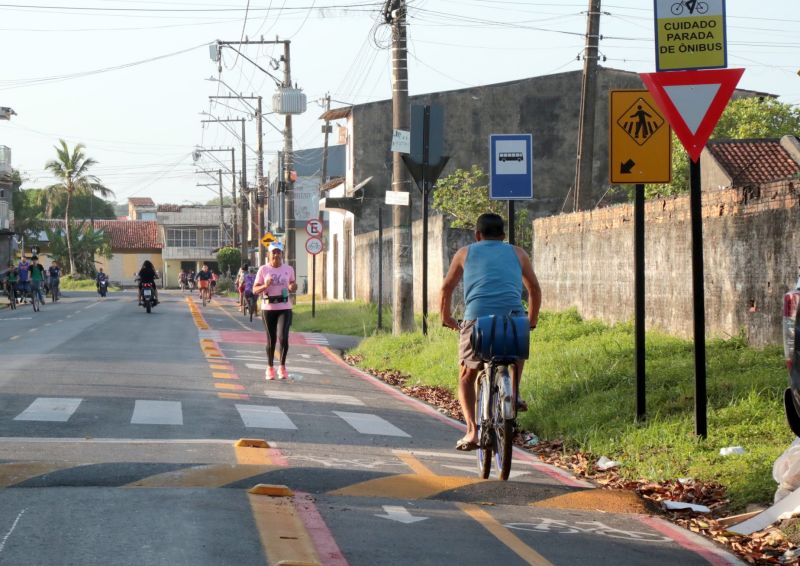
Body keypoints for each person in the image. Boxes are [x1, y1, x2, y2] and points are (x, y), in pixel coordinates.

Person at [440, 213, 542, 452]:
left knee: (467, 375)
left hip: (476, 321)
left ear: (477, 235)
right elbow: (534, 288)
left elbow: (447, 287)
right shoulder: (518, 253)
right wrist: (531, 321)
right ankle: (514, 394)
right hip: (513, 318)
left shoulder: (465, 252)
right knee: (516, 349)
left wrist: (445, 317)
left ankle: (472, 431)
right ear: (503, 236)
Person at [253, 241, 297, 380]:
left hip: (285, 307)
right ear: (268, 255)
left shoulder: (289, 269)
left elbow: (292, 284)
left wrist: (292, 287)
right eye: (274, 252)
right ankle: (270, 367)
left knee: (283, 337)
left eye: (279, 252)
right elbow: (255, 289)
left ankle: (282, 367)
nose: (276, 255)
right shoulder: (263, 270)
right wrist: (265, 285)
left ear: (282, 254)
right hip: (268, 307)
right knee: (271, 339)